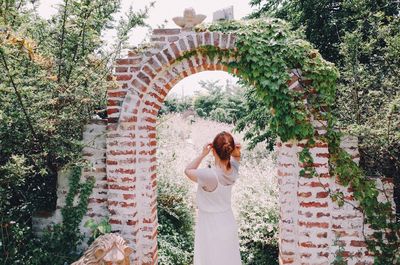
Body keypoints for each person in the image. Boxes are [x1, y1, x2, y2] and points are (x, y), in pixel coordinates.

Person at [184, 131, 242, 265]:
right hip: (227, 221)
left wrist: (202, 154)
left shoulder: (208, 175)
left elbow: (187, 170)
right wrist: (235, 151)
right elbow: (237, 158)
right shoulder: (233, 171)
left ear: (213, 150)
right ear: (230, 150)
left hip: (210, 225)